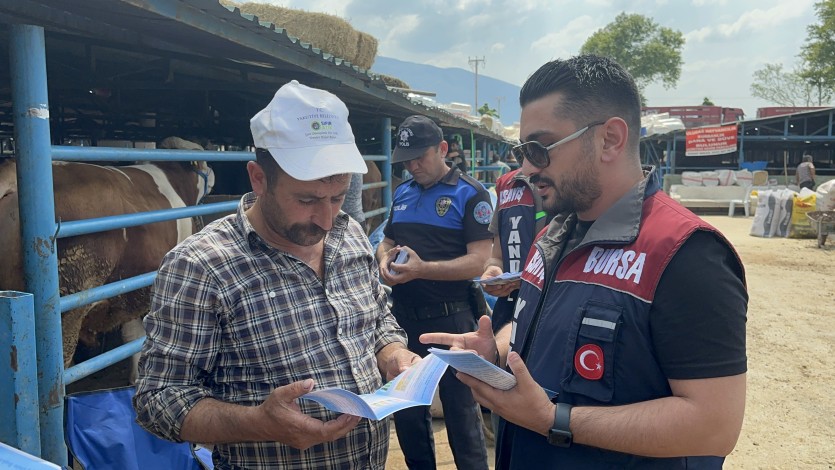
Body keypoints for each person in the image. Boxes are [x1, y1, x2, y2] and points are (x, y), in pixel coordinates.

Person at [421, 55, 748, 469]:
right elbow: (544, 325)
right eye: (522, 150)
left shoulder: (684, 254)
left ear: (609, 139)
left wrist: (552, 420)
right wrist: (497, 349)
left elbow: (714, 425)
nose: (526, 168)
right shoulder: (553, 234)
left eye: (539, 149)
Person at [133, 80, 419, 470]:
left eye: (337, 197)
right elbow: (158, 398)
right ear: (258, 178)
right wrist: (258, 423)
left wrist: (393, 355)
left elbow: (377, 318)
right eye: (306, 200)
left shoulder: (349, 234)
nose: (326, 218)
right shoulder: (201, 267)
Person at [377, 114, 493, 470]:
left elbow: (478, 261)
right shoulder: (403, 193)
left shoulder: (470, 194)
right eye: (406, 160)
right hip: (403, 322)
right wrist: (383, 260)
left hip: (453, 317)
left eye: (420, 157)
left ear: (442, 149)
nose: (412, 166)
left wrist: (422, 269)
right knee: (409, 414)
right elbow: (388, 239)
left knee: (462, 417)